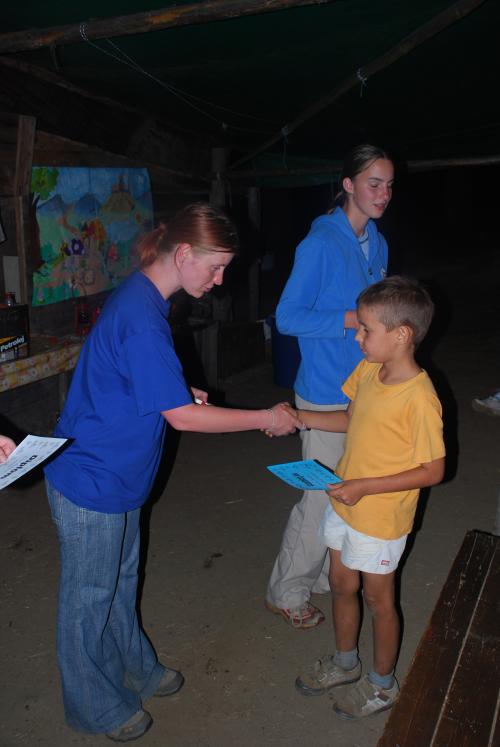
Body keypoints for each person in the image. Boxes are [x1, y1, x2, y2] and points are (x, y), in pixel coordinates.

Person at [44, 203, 300, 742]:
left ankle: (136, 667)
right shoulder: (142, 315)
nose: (220, 279)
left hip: (122, 475)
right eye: (216, 266)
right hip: (92, 479)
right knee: (89, 600)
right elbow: (182, 418)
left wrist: (176, 388)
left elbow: (137, 378)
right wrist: (265, 417)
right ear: (183, 253)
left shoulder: (147, 298)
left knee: (120, 583)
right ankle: (94, 706)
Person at [292, 276, 445, 718]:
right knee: (342, 585)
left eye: (365, 329)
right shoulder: (368, 371)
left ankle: (382, 684)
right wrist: (301, 417)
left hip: (380, 517)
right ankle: (345, 663)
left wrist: (364, 487)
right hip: (345, 502)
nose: (357, 337)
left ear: (401, 335)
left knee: (379, 601)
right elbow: (351, 419)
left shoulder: (420, 398)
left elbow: (433, 470)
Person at [265, 144, 394, 629]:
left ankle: (321, 574)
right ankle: (286, 590)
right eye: (373, 183)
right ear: (348, 185)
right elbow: (287, 317)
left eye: (389, 185)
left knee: (350, 489)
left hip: (365, 387)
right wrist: (352, 319)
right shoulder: (319, 243)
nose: (383, 193)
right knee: (320, 494)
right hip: (323, 390)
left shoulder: (377, 242)